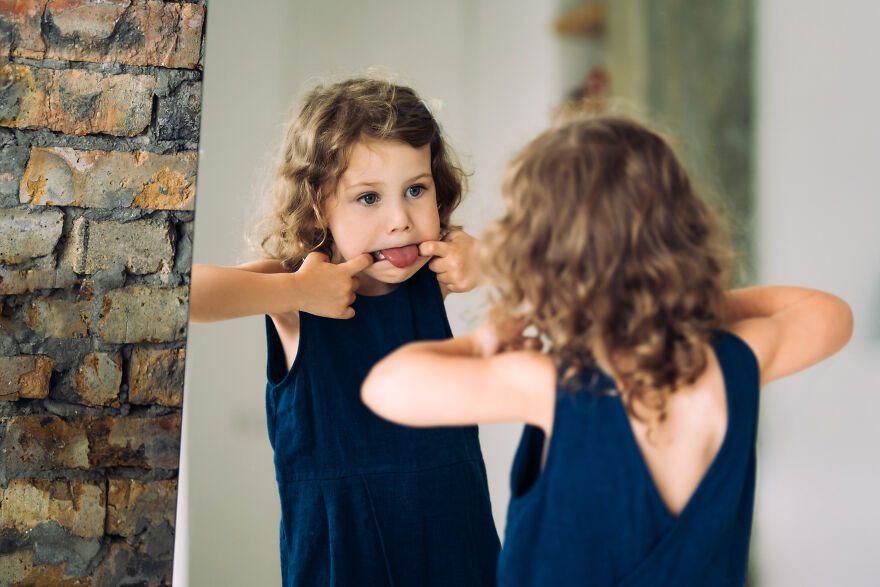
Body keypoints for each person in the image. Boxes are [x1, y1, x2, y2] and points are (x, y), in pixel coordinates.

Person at [362, 116, 853, 586]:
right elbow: (829, 314)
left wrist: (482, 343)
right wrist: (678, 310)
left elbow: (386, 386)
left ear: (541, 263)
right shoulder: (733, 364)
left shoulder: (552, 384)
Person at [190, 77, 499, 586]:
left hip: (456, 547)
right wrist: (295, 293)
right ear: (319, 207)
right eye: (368, 198)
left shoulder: (432, 281)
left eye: (416, 190)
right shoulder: (294, 288)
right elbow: (187, 295)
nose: (400, 219)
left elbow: (588, 279)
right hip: (342, 559)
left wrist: (495, 263)